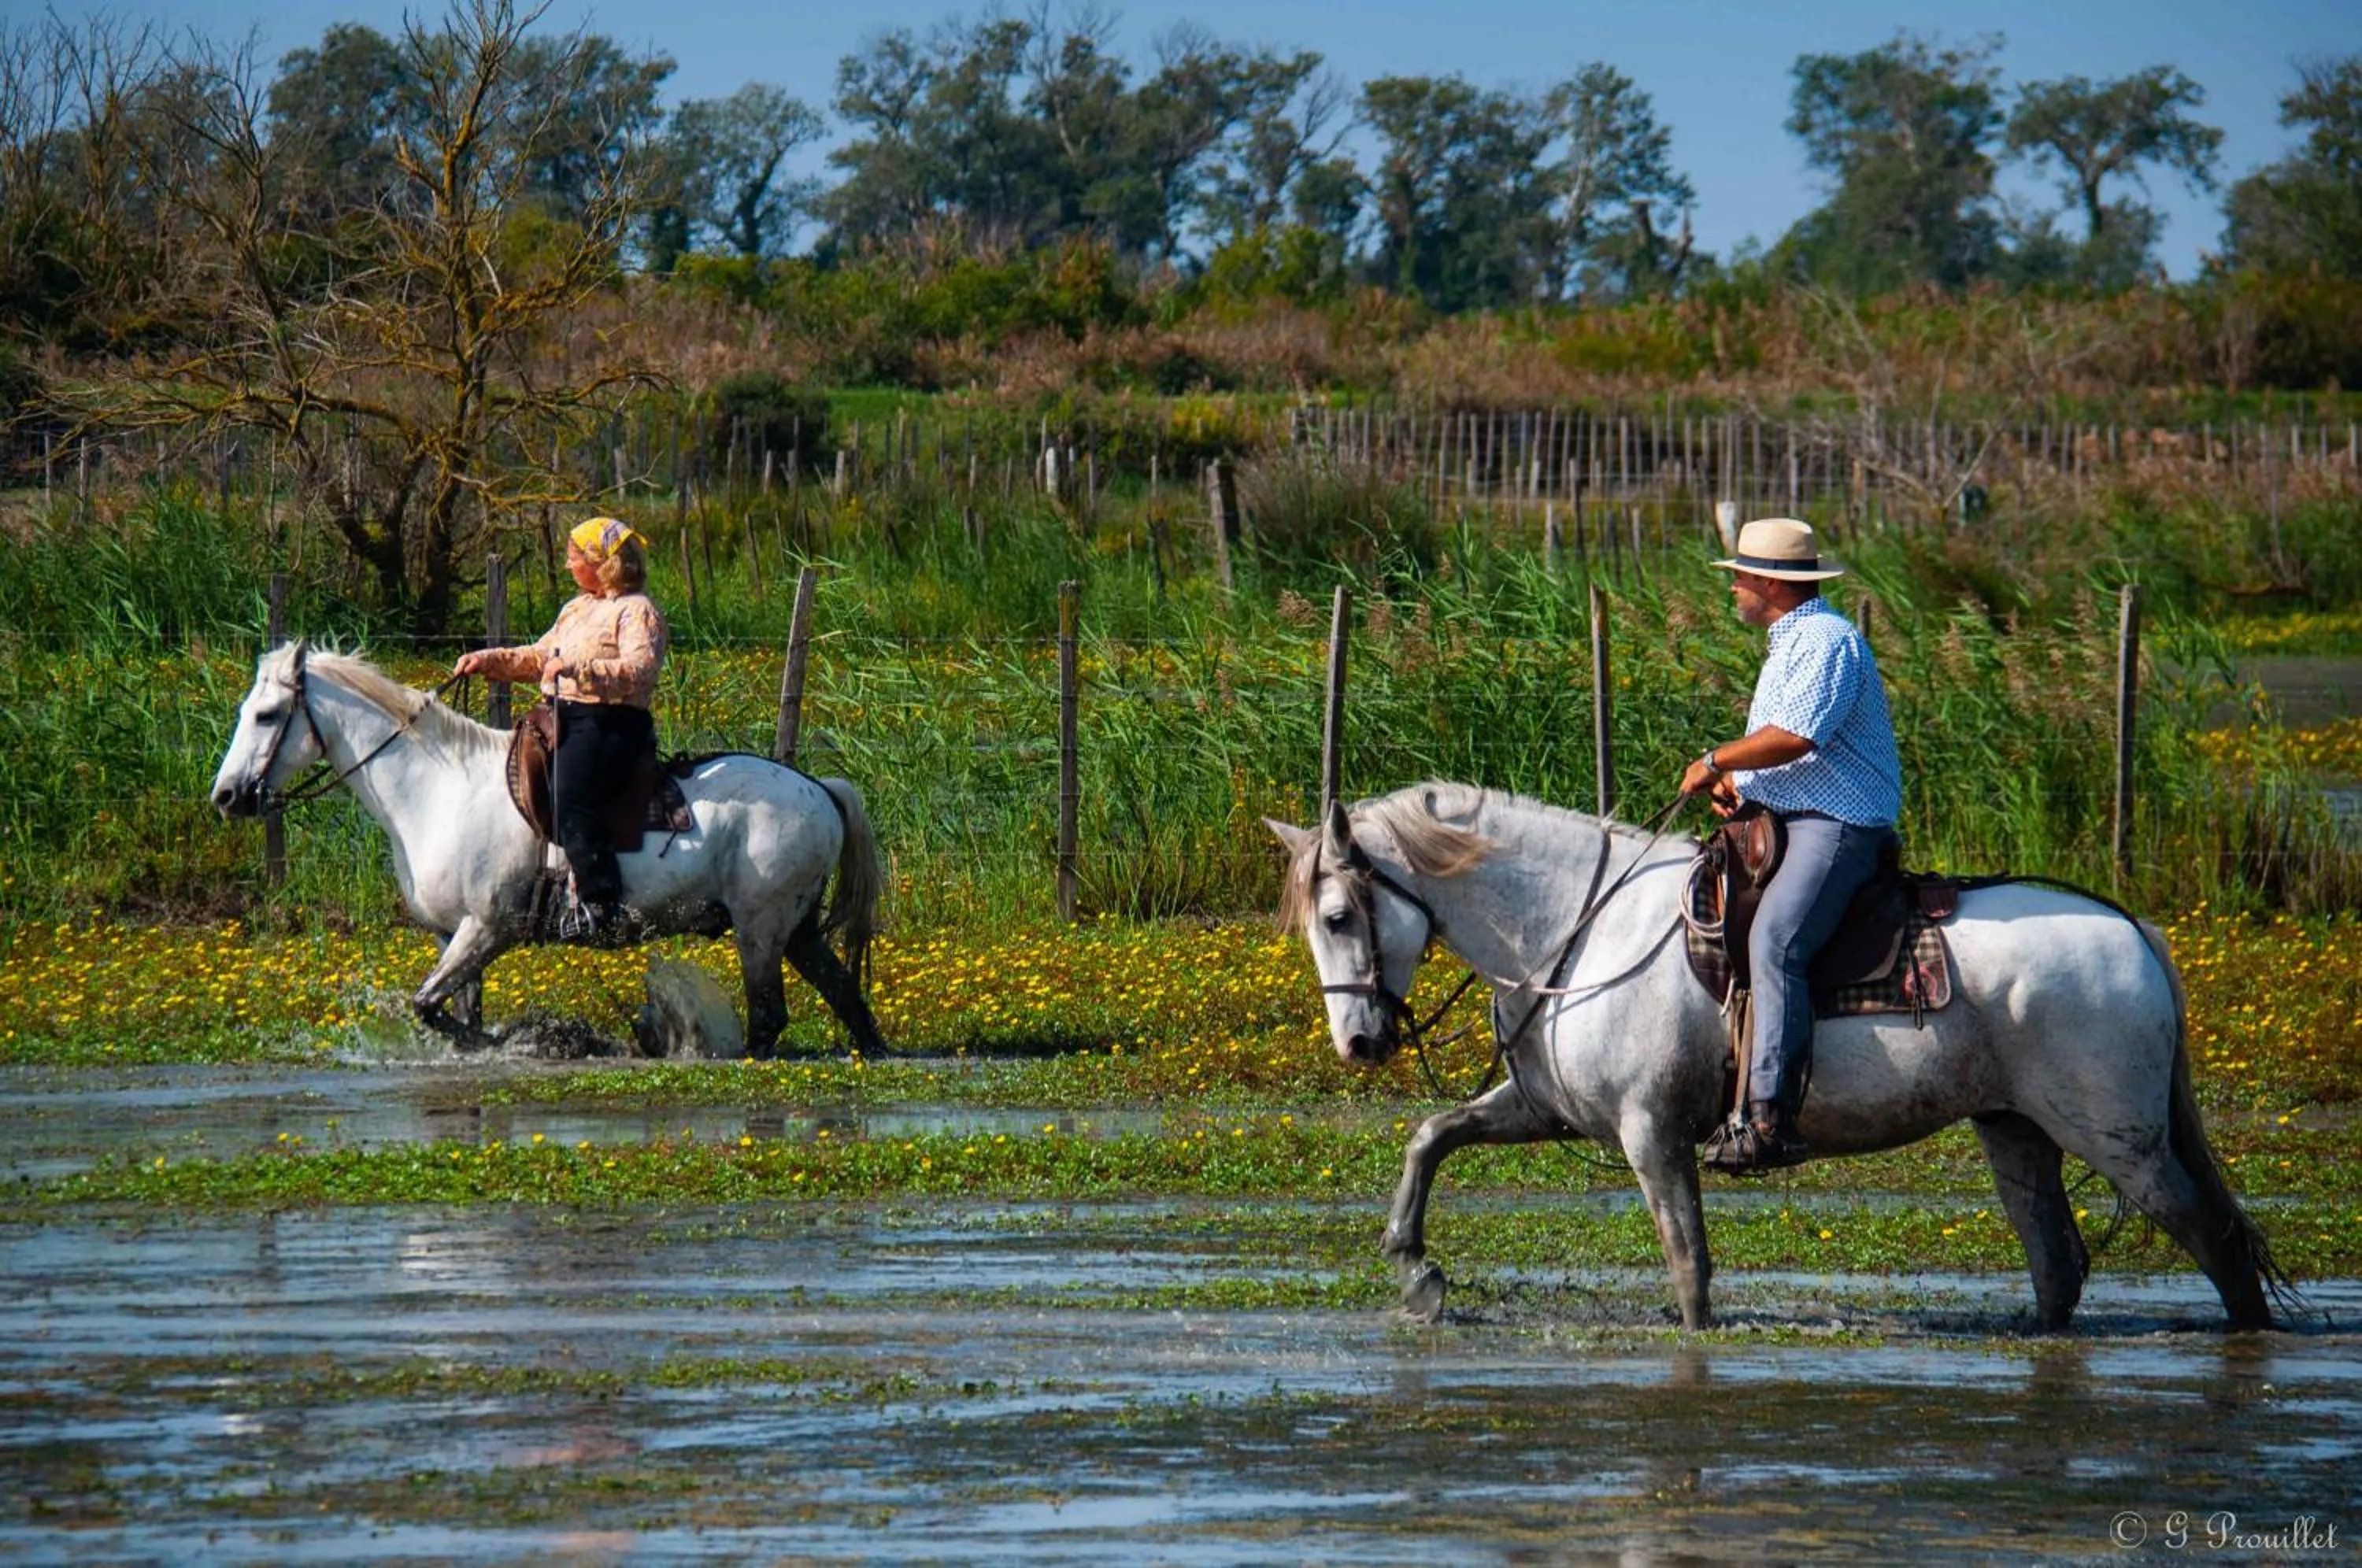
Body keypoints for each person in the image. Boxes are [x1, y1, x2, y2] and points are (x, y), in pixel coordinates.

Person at [1677, 517, 1901, 1174]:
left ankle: (1769, 1117)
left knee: (1775, 940)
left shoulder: (1826, 640)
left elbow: (1797, 737)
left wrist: (1715, 758)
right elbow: (1782, 748)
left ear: (1771, 583)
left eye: (1740, 579)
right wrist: (1738, 785)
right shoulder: (1792, 641)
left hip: (1837, 824)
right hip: (1788, 816)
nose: (1733, 591)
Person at [455, 516, 668, 934]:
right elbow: (539, 656)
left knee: (571, 796)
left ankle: (600, 905)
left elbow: (641, 668)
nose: (569, 566)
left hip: (612, 720)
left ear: (601, 562)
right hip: (565, 716)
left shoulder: (637, 611)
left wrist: (576, 668)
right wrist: (488, 660)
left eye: (575, 558)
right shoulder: (577, 608)